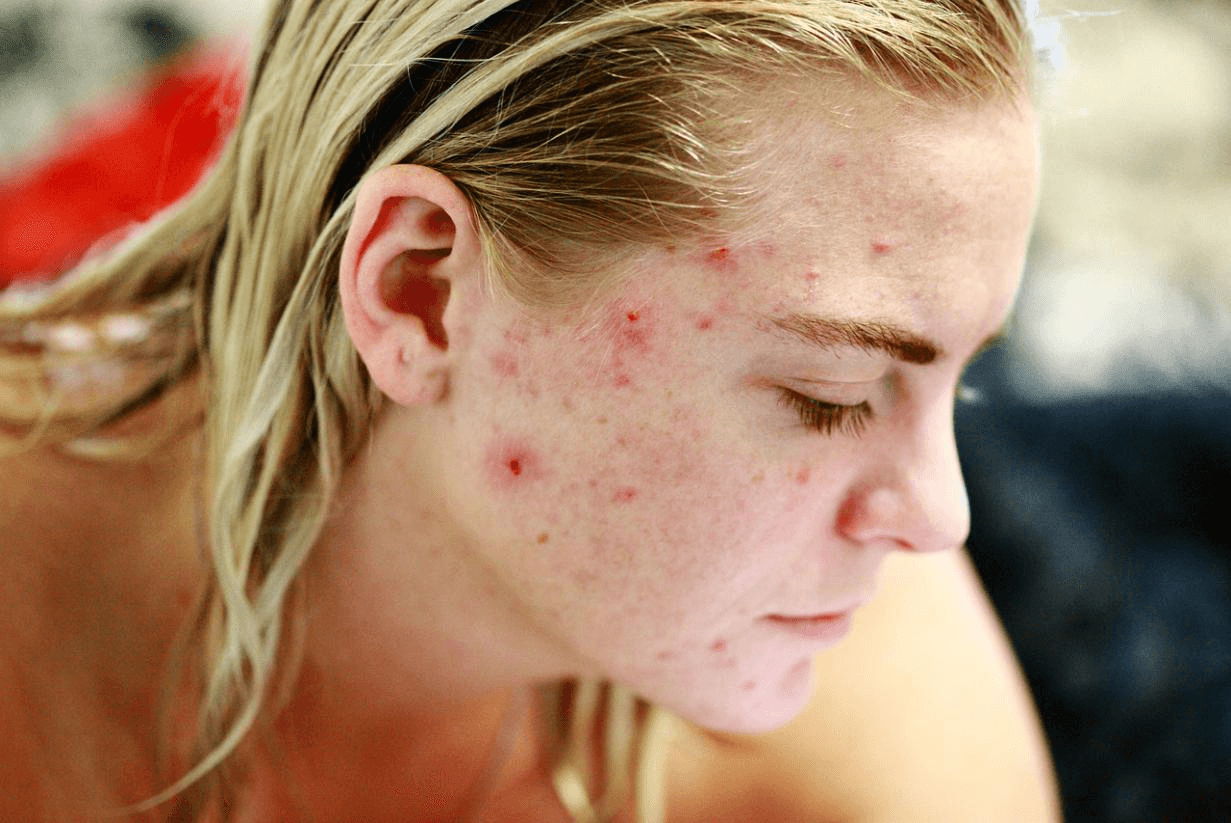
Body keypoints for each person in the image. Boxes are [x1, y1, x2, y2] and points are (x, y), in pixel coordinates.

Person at [0, 0, 1062, 820]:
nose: (940, 517)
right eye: (825, 396)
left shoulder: (866, 703)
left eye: (957, 375)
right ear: (417, 291)